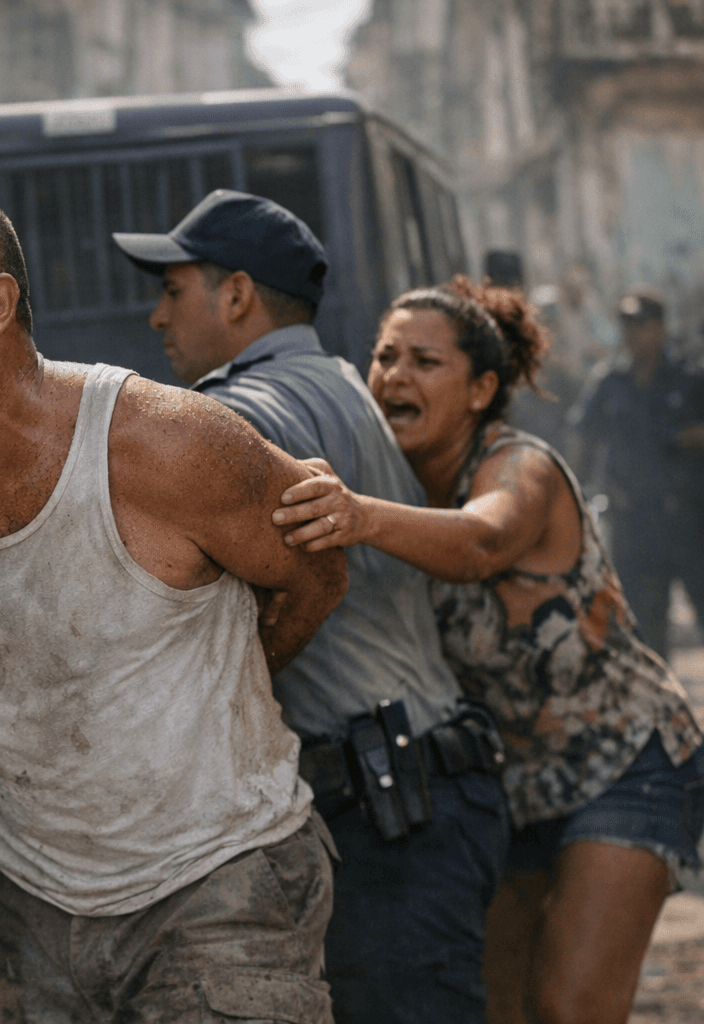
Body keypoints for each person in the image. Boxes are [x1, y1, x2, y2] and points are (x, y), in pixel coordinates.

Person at [0, 184, 348, 1022]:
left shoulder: (170, 444)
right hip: (11, 902)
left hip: (216, 885)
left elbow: (316, 576)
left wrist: (197, 698)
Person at [112, 190, 511, 1024]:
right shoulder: (332, 379)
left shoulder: (245, 409)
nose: (156, 316)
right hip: (422, 791)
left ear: (236, 295)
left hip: (392, 809)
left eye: (173, 290)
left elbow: (211, 451)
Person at [274, 276, 704, 1024]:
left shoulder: (519, 467)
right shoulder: (400, 488)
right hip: (512, 792)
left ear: (481, 389)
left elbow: (483, 541)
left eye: (424, 361)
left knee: (568, 1008)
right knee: (496, 1008)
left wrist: (355, 514)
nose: (396, 375)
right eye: (384, 356)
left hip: (628, 761)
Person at [567, 286, 704, 660]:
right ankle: (662, 715)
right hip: (635, 526)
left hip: (690, 522)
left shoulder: (690, 378)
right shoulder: (610, 383)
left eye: (640, 323)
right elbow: (581, 439)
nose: (631, 332)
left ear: (659, 328)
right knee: (644, 636)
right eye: (625, 323)